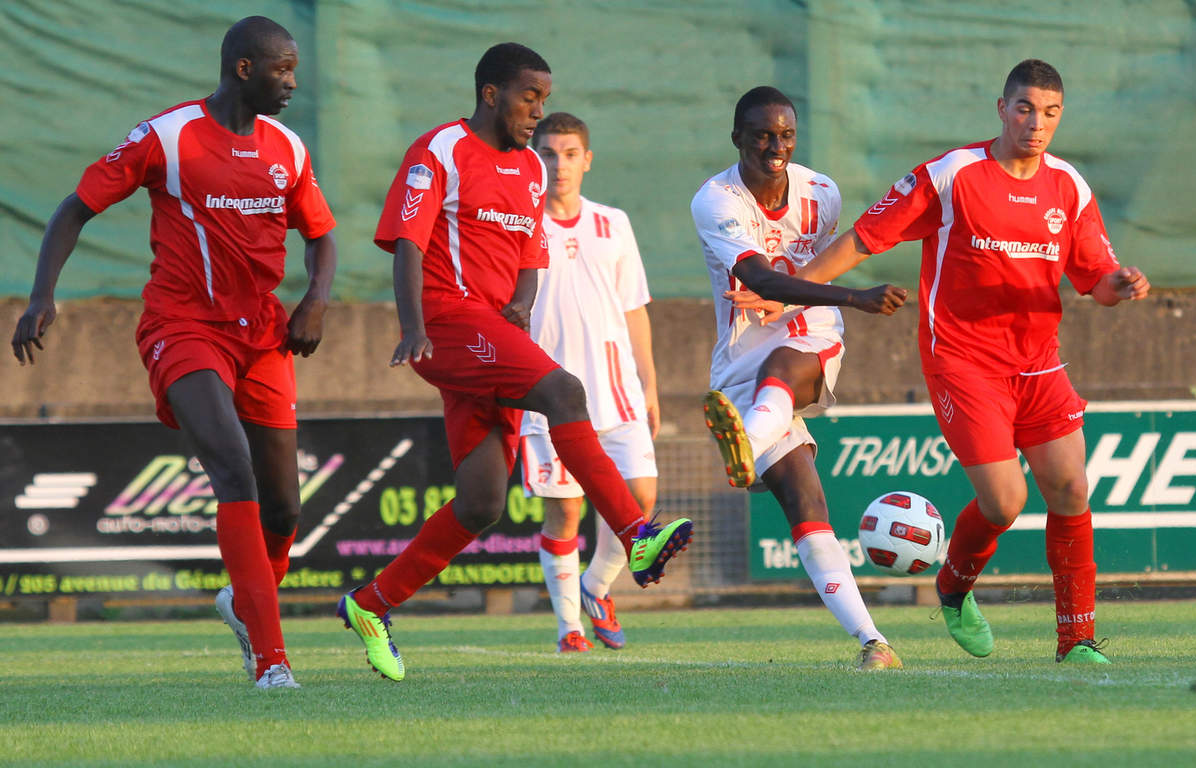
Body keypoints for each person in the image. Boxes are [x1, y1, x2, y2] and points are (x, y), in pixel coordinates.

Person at [338, 43, 692, 681]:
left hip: (490, 329)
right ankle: (638, 534)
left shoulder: (530, 166)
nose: (537, 111)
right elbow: (408, 246)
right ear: (490, 92)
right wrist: (415, 326)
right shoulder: (439, 150)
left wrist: (522, 307)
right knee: (565, 392)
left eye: (545, 100)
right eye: (529, 97)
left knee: (480, 503)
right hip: (446, 322)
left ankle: (371, 603)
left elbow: (531, 252)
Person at [9, 16, 337, 689]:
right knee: (232, 469)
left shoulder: (288, 148)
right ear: (244, 69)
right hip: (182, 327)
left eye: (295, 68)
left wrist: (315, 302)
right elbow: (74, 209)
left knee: (285, 510)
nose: (292, 82)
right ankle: (273, 662)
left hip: (264, 336)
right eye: (282, 68)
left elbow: (322, 236)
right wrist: (42, 295)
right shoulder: (168, 136)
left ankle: (245, 602)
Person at [794, 59, 1150, 664]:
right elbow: (863, 239)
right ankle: (953, 587)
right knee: (1005, 501)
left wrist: (1123, 281)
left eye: (1050, 113)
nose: (1036, 124)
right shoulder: (951, 174)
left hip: (1039, 364)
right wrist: (790, 291)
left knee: (1069, 487)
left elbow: (1097, 282)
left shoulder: (1069, 186)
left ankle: (1077, 641)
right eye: (1025, 108)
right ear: (1002, 108)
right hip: (962, 360)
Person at [691, 86, 908, 671]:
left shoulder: (822, 193)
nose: (775, 146)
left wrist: (820, 305)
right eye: (762, 134)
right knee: (804, 499)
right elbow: (764, 278)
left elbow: (802, 278)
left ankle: (746, 442)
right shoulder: (715, 201)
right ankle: (874, 642)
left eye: (786, 134)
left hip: (811, 336)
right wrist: (855, 296)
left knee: (783, 365)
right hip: (740, 363)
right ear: (736, 137)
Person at [519, 112, 659, 652]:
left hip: (617, 388)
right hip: (549, 394)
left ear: (587, 160)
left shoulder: (613, 223)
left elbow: (636, 309)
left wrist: (649, 383)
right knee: (567, 511)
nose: (559, 165)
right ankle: (568, 629)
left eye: (570, 153)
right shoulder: (520, 222)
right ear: (535, 158)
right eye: (548, 153)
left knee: (640, 501)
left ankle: (596, 587)